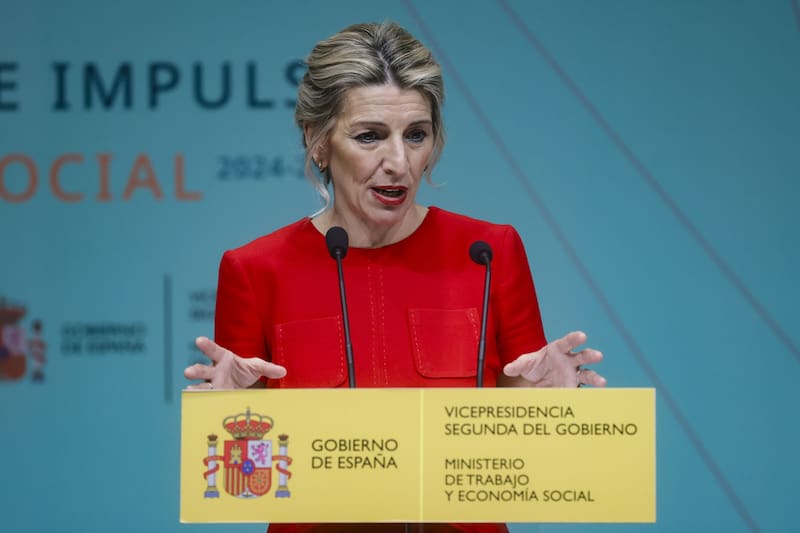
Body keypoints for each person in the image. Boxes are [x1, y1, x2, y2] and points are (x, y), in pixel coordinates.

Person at [185, 21, 606, 533]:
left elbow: (522, 452)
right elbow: (246, 484)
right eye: (370, 137)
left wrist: (548, 414)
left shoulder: (489, 253)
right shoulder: (254, 270)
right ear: (317, 142)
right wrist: (229, 424)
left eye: (416, 135)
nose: (399, 163)